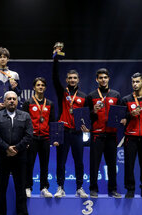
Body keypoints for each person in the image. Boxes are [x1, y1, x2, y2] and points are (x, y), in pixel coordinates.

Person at [0, 91, 32, 215]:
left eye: (14, 99)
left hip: (20, 157)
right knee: (0, 188)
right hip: (2, 157)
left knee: (21, 187)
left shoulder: (25, 116)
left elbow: (28, 135)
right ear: (4, 102)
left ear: (17, 101)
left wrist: (17, 149)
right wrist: (7, 148)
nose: (12, 101)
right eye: (9, 99)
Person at [52, 46, 88, 198]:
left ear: (78, 80)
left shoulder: (84, 96)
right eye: (70, 78)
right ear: (66, 80)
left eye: (75, 78)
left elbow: (86, 115)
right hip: (63, 131)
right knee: (61, 161)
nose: (72, 80)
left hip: (78, 133)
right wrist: (55, 59)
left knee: (79, 162)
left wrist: (87, 127)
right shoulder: (63, 92)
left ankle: (80, 187)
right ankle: (60, 187)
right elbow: (54, 77)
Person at [86, 68, 122, 198]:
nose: (103, 80)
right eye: (100, 78)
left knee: (112, 165)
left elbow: (120, 114)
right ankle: (93, 189)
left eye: (105, 77)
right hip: (97, 135)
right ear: (97, 79)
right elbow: (87, 116)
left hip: (111, 135)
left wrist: (122, 119)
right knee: (94, 164)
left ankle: (112, 190)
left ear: (108, 79)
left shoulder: (116, 95)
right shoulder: (91, 96)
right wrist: (93, 111)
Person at [0, 47, 22, 175]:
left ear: (8, 59)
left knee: (11, 137)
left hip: (11, 111)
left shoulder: (14, 75)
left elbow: (19, 93)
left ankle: (11, 167)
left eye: (5, 56)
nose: (2, 59)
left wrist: (15, 88)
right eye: (0, 56)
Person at [22, 77, 55, 198]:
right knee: (29, 164)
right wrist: (26, 138)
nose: (40, 87)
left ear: (45, 88)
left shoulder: (50, 103)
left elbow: (52, 122)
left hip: (45, 138)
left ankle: (44, 188)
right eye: (38, 85)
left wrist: (54, 139)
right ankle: (27, 187)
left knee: (44, 165)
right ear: (34, 87)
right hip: (32, 138)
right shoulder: (28, 102)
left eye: (42, 85)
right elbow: (24, 122)